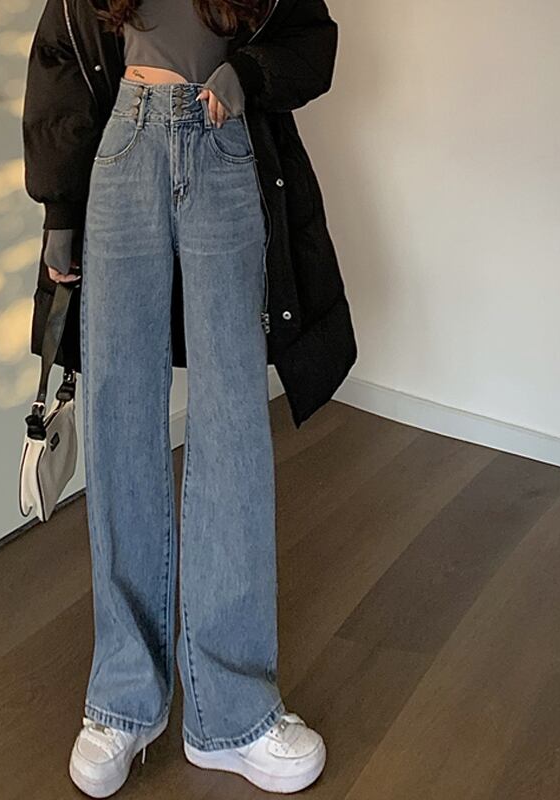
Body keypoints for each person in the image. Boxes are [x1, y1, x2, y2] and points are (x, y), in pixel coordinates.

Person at [22, 0, 357, 795]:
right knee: (120, 421)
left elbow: (312, 40)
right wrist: (60, 214)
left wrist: (248, 75)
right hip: (124, 147)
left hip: (225, 147)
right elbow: (60, 56)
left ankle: (231, 713)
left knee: (234, 423)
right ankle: (123, 702)